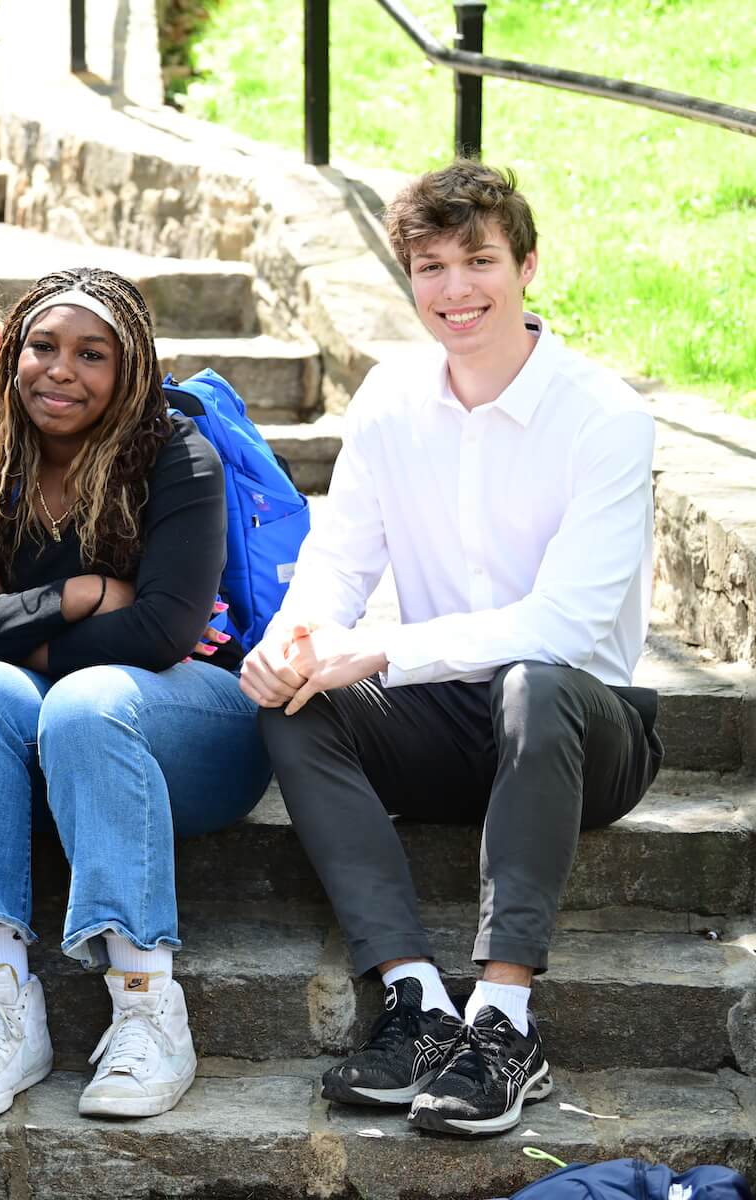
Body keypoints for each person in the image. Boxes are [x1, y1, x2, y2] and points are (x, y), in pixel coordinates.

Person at [240, 161, 661, 1137]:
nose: (457, 289)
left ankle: (506, 1021)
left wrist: (382, 653)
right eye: (431, 266)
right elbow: (337, 562)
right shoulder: (391, 402)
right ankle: (417, 1001)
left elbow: (565, 627)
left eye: (480, 260)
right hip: (444, 730)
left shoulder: (604, 416)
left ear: (528, 266)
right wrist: (293, 645)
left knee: (533, 685)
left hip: (580, 736)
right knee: (297, 706)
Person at [0, 267, 271, 1121]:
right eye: (42, 347)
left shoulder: (179, 458)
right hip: (60, 721)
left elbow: (165, 634)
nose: (60, 370)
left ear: (130, 369)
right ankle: (0, 1005)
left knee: (86, 699)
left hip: (195, 728)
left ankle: (148, 1011)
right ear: (13, 355)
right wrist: (73, 598)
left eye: (90, 354)